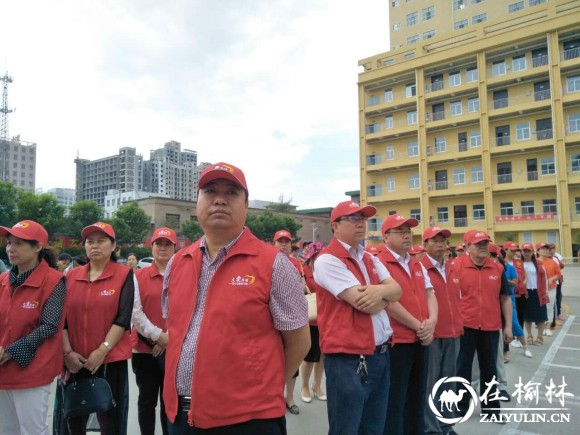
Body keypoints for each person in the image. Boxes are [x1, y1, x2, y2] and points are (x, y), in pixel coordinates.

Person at [161, 162, 310, 433]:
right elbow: (176, 328)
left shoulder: (274, 264)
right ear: (197, 202)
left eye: (231, 192)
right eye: (210, 191)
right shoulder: (178, 262)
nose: (219, 199)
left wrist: (264, 389)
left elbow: (299, 342)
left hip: (248, 419)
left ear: (246, 205)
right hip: (180, 415)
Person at [313, 201, 402, 435]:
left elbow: (397, 290)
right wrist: (385, 294)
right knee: (347, 427)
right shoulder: (328, 260)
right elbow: (366, 305)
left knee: (373, 427)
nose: (361, 223)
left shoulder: (369, 258)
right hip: (348, 358)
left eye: (363, 218)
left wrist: (381, 293)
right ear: (335, 226)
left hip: (380, 354)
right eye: (353, 218)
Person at [62, 222, 134, 434]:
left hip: (110, 360)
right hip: (75, 361)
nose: (94, 245)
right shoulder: (71, 277)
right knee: (74, 419)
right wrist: (67, 353)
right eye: (89, 241)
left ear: (113, 246)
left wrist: (102, 350)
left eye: (101, 241)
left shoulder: (123, 274)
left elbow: (123, 317)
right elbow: (62, 319)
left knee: (111, 420)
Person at [0, 220, 66, 435]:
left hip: (32, 371)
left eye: (19, 243)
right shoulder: (3, 280)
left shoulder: (54, 281)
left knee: (33, 430)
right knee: (6, 429)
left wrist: (10, 351)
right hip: (2, 369)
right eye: (9, 243)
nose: (11, 248)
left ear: (38, 247)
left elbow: (49, 326)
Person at [377, 214, 437, 435]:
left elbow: (430, 293)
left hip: (420, 339)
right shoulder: (379, 262)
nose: (406, 235)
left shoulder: (416, 263)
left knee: (417, 396)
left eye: (408, 231)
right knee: (395, 399)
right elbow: (387, 303)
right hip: (397, 342)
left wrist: (431, 321)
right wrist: (419, 326)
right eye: (400, 231)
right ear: (386, 236)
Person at [455, 230, 513, 420]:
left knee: (490, 370)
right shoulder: (456, 267)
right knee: (462, 368)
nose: (482, 247)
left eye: (485, 243)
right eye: (478, 244)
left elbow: (505, 299)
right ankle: (461, 407)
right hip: (465, 325)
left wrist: (508, 327)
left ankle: (491, 410)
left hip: (490, 326)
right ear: (467, 247)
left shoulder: (497, 269)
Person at [132, 227, 177, 435]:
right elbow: (135, 313)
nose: (163, 248)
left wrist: (169, 340)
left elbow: (189, 311)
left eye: (168, 244)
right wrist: (159, 337)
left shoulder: (183, 275)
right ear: (151, 246)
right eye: (159, 244)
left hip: (174, 350)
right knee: (147, 400)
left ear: (175, 248)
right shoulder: (137, 276)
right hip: (143, 350)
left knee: (170, 401)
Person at [420, 226, 463, 435]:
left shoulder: (453, 267)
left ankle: (446, 425)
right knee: (430, 384)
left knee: (448, 383)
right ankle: (430, 429)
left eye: (443, 240)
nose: (440, 244)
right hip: (433, 335)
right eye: (434, 240)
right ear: (425, 244)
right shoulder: (419, 268)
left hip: (453, 333)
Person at [273, 229, 309, 415]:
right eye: (280, 242)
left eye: (286, 241)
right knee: (276, 359)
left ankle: (290, 397)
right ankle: (275, 397)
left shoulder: (296, 263)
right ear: (274, 244)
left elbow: (303, 285)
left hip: (294, 318)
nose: (283, 244)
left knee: (293, 360)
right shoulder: (268, 261)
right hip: (275, 320)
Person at [299, 242, 326, 405]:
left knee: (322, 355)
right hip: (311, 320)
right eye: (315, 255)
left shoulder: (326, 269)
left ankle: (317, 385)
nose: (318, 258)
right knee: (310, 356)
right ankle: (304, 386)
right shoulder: (304, 271)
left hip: (327, 319)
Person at [521, 243, 549, 345]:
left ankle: (540, 337)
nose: (526, 253)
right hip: (526, 292)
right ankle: (529, 336)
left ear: (533, 252)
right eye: (524, 251)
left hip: (538, 292)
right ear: (521, 252)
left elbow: (545, 278)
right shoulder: (519, 264)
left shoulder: (539, 263)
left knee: (541, 316)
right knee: (526, 317)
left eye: (528, 251)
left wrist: (545, 292)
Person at [536, 243, 560, 337]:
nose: (546, 251)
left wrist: (552, 279)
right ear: (538, 251)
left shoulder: (552, 262)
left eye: (547, 249)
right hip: (538, 290)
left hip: (550, 288)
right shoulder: (535, 262)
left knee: (549, 307)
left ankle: (548, 327)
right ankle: (540, 326)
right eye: (543, 249)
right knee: (539, 307)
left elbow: (558, 274)